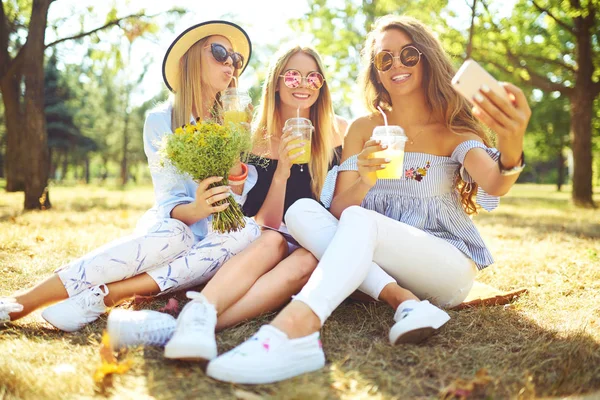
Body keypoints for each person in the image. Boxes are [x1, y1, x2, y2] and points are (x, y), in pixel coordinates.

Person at [205, 15, 532, 384]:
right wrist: (365, 179)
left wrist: (512, 139)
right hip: (380, 268)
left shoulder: (452, 129)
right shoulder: (363, 128)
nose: (397, 65)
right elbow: (340, 210)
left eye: (409, 55)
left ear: (427, 59)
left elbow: (496, 181)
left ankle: (295, 329)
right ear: (375, 71)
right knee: (301, 211)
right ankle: (404, 301)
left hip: (445, 268)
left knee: (359, 222)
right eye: (385, 58)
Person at [0, 20, 265, 332]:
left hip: (218, 238)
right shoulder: (161, 120)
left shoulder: (240, 120)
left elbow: (239, 200)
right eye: (220, 52)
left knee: (246, 233)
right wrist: (198, 209)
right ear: (191, 58)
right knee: (176, 236)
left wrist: (236, 147)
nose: (230, 64)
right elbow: (169, 198)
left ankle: (102, 297)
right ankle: (24, 301)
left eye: (236, 59)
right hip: (175, 226)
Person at [107, 43, 348, 361]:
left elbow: (341, 207)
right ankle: (194, 319)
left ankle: (180, 325)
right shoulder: (248, 134)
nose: (303, 84)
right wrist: (282, 173)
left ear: (322, 85)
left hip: (310, 242)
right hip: (260, 239)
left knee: (307, 260)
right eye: (292, 77)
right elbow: (263, 220)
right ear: (276, 82)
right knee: (272, 241)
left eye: (314, 77)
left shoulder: (340, 131)